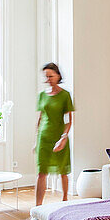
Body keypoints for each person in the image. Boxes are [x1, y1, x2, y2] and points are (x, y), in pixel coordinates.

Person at [34, 62, 74, 208]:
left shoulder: (65, 95)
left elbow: (69, 121)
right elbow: (40, 118)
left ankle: (64, 202)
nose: (48, 79)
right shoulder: (42, 95)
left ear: (58, 76)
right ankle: (37, 208)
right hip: (43, 139)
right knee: (41, 173)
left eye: (51, 76)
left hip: (59, 139)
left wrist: (63, 138)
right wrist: (35, 140)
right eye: (46, 76)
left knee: (63, 171)